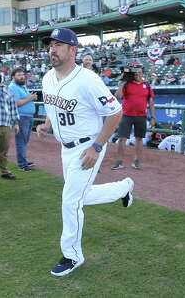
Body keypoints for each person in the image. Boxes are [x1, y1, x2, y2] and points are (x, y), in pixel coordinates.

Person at [37, 28, 134, 277]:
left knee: (70, 201)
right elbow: (51, 106)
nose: (53, 50)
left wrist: (97, 147)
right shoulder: (48, 77)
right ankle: (123, 188)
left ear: (73, 50)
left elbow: (115, 112)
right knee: (81, 195)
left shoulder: (88, 79)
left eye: (59, 45)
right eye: (51, 45)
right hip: (65, 148)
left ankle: (72, 255)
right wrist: (47, 125)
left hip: (87, 146)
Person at [111, 66, 155, 170]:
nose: (137, 74)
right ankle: (119, 161)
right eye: (136, 73)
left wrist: (153, 117)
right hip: (126, 115)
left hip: (141, 116)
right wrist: (122, 81)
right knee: (122, 138)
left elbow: (151, 103)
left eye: (140, 72)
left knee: (139, 139)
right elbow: (117, 96)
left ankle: (136, 161)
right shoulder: (126, 84)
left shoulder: (147, 85)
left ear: (143, 74)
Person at [9, 67, 37, 171]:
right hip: (21, 117)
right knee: (21, 141)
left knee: (24, 140)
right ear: (13, 77)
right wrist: (30, 98)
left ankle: (23, 160)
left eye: (22, 74)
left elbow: (25, 99)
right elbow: (16, 103)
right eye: (19, 75)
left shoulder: (22, 86)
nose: (22, 77)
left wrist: (31, 98)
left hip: (28, 116)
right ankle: (22, 164)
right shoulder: (12, 86)